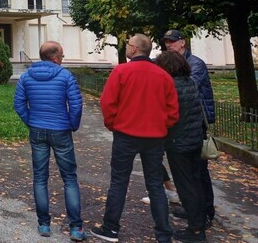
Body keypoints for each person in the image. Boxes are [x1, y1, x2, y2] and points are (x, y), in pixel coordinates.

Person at [91, 34, 179, 243]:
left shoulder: (122, 71)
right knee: (155, 184)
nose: (127, 47)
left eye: (129, 44)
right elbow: (173, 111)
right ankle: (163, 234)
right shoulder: (163, 75)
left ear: (135, 49)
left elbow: (108, 102)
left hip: (126, 135)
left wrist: (113, 124)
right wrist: (161, 125)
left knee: (119, 182)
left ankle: (111, 228)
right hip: (155, 137)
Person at [14, 41, 86, 241]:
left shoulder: (27, 76)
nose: (63, 59)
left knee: (39, 178)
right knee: (69, 178)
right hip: (61, 130)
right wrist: (72, 124)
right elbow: (76, 104)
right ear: (55, 58)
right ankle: (75, 227)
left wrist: (31, 121)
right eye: (62, 56)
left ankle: (44, 224)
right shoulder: (65, 76)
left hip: (38, 130)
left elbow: (19, 104)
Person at [163, 30, 216, 227]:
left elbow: (188, 84)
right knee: (190, 173)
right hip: (186, 121)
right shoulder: (175, 65)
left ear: (183, 43)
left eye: (173, 42)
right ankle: (192, 208)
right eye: (167, 42)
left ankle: (206, 212)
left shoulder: (195, 63)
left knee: (199, 172)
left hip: (196, 122)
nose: (169, 45)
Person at [155, 51, 207, 243]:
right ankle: (199, 223)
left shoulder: (170, 86)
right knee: (195, 182)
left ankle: (196, 232)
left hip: (179, 142)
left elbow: (167, 115)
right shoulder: (189, 82)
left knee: (186, 186)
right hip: (194, 139)